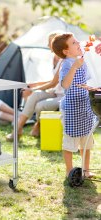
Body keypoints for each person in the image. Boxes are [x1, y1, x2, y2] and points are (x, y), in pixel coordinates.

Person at [51, 33, 96, 178]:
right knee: (70, 141)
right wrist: (74, 67)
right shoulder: (67, 64)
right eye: (74, 43)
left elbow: (83, 82)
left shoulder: (81, 61)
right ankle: (69, 171)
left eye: (77, 42)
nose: (79, 44)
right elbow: (65, 84)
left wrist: (90, 88)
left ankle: (86, 169)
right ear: (66, 51)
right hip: (71, 108)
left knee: (86, 141)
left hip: (84, 105)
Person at [6, 32, 64, 141]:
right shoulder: (54, 58)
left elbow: (54, 83)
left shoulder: (63, 60)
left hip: (63, 96)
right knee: (35, 95)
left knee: (39, 105)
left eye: (50, 42)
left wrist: (32, 88)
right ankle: (18, 129)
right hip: (55, 92)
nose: (48, 45)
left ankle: (38, 124)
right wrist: (34, 85)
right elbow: (54, 80)